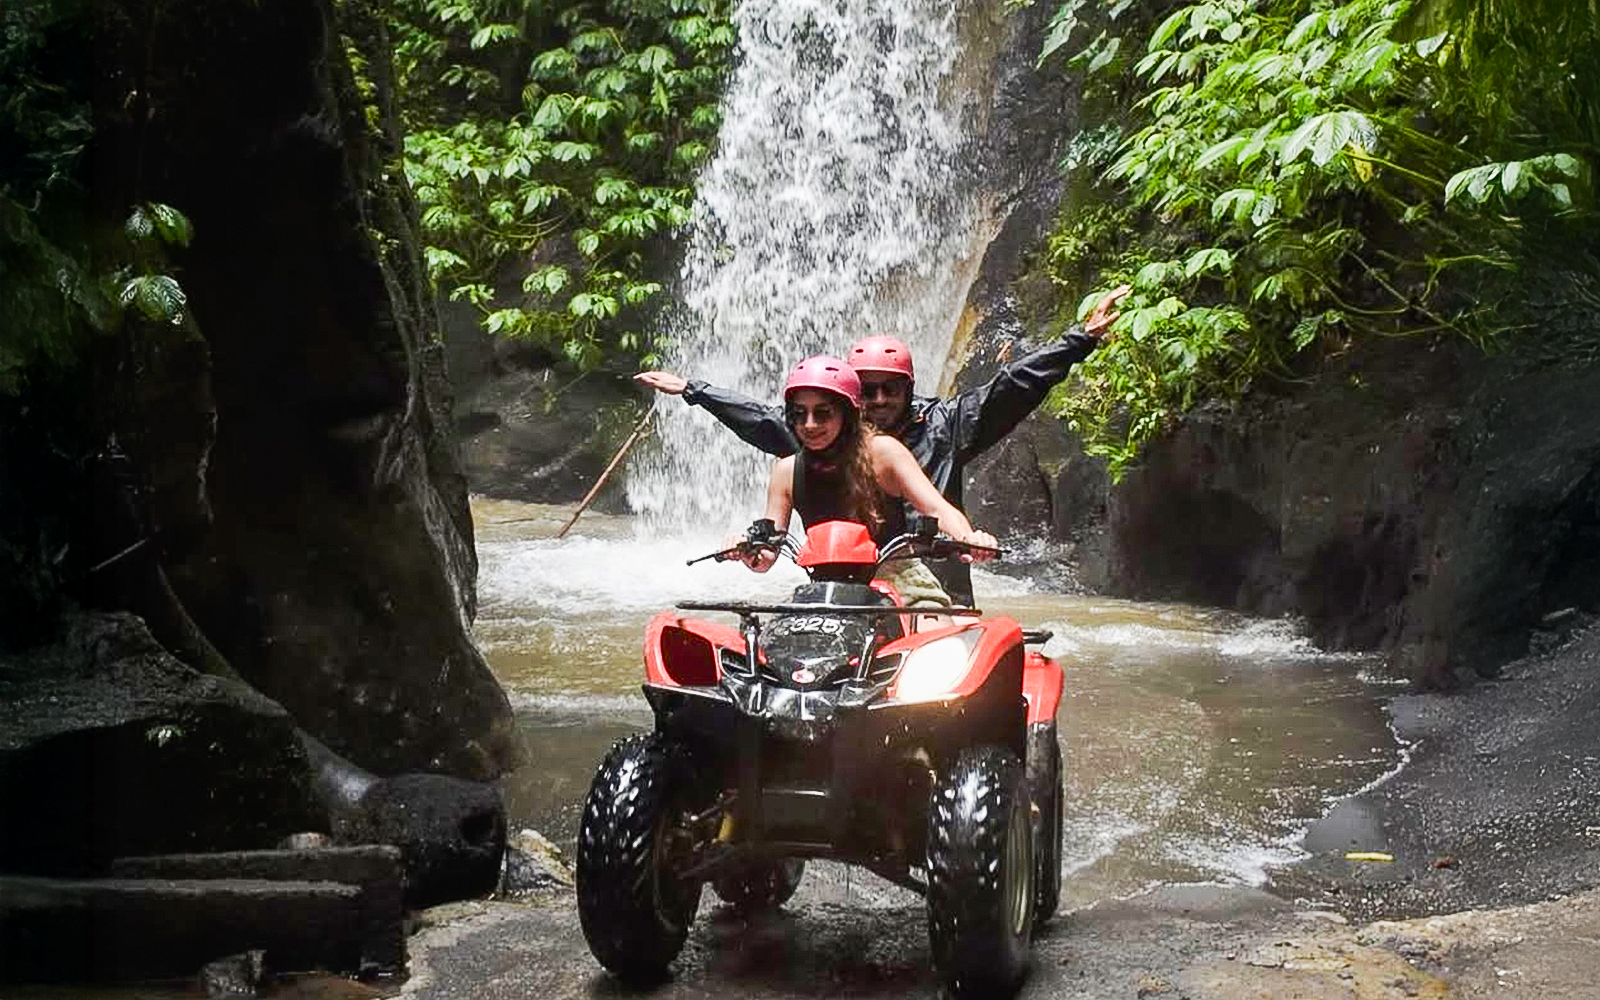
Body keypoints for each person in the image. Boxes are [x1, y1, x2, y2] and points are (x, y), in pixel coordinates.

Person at [636, 285, 1131, 604]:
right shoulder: (815, 438)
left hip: (930, 580)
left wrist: (1077, 340)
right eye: (865, 389)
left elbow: (1010, 389)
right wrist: (695, 391)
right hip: (837, 592)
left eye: (888, 389)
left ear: (907, 389)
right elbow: (762, 420)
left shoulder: (943, 425)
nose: (876, 400)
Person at [740, 355, 997, 614]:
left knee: (941, 647)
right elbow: (766, 555)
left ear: (848, 413)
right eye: (799, 414)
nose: (809, 424)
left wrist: (969, 538)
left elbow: (937, 509)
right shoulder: (786, 470)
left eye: (822, 413)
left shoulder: (884, 453)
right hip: (826, 591)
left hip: (901, 585)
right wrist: (748, 549)